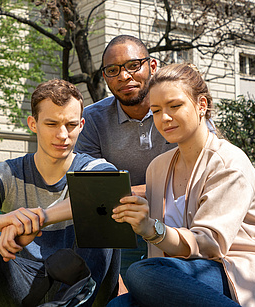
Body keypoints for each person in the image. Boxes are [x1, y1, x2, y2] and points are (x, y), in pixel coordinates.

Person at [107, 63, 255, 306]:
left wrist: (152, 229)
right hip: (186, 274)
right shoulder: (158, 168)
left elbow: (208, 245)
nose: (165, 118)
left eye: (175, 106)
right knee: (119, 304)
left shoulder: (228, 163)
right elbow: (161, 256)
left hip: (241, 272)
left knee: (141, 272)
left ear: (201, 105)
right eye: (157, 110)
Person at [0, 79, 120, 307]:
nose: (62, 134)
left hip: (82, 285)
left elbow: (109, 194)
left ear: (81, 125)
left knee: (104, 210)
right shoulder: (9, 172)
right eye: (51, 124)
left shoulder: (93, 168)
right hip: (21, 283)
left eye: (70, 125)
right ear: (33, 123)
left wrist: (37, 220)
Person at [74, 35, 179, 274]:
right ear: (105, 77)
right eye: (113, 70)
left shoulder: (180, 108)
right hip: (120, 226)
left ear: (151, 66)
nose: (124, 76)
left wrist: (126, 191)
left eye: (133, 65)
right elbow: (93, 187)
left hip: (180, 221)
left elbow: (200, 176)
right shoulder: (91, 119)